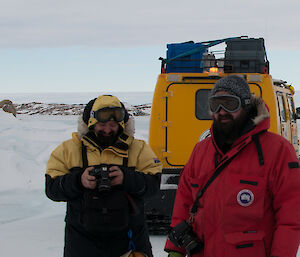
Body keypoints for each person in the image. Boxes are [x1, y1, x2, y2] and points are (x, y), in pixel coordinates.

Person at [165, 75, 300, 257]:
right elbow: (184, 202)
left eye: (229, 103)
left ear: (245, 105)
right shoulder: (201, 151)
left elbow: (291, 217)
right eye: (215, 105)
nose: (221, 111)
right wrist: (175, 249)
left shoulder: (278, 150)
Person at [45, 94, 162, 257]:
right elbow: (52, 189)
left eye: (113, 125)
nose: (107, 130)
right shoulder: (68, 150)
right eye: (102, 124)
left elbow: (153, 186)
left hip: (130, 243)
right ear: (91, 123)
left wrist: (126, 178)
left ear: (121, 125)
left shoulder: (139, 149)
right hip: (81, 245)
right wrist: (79, 180)